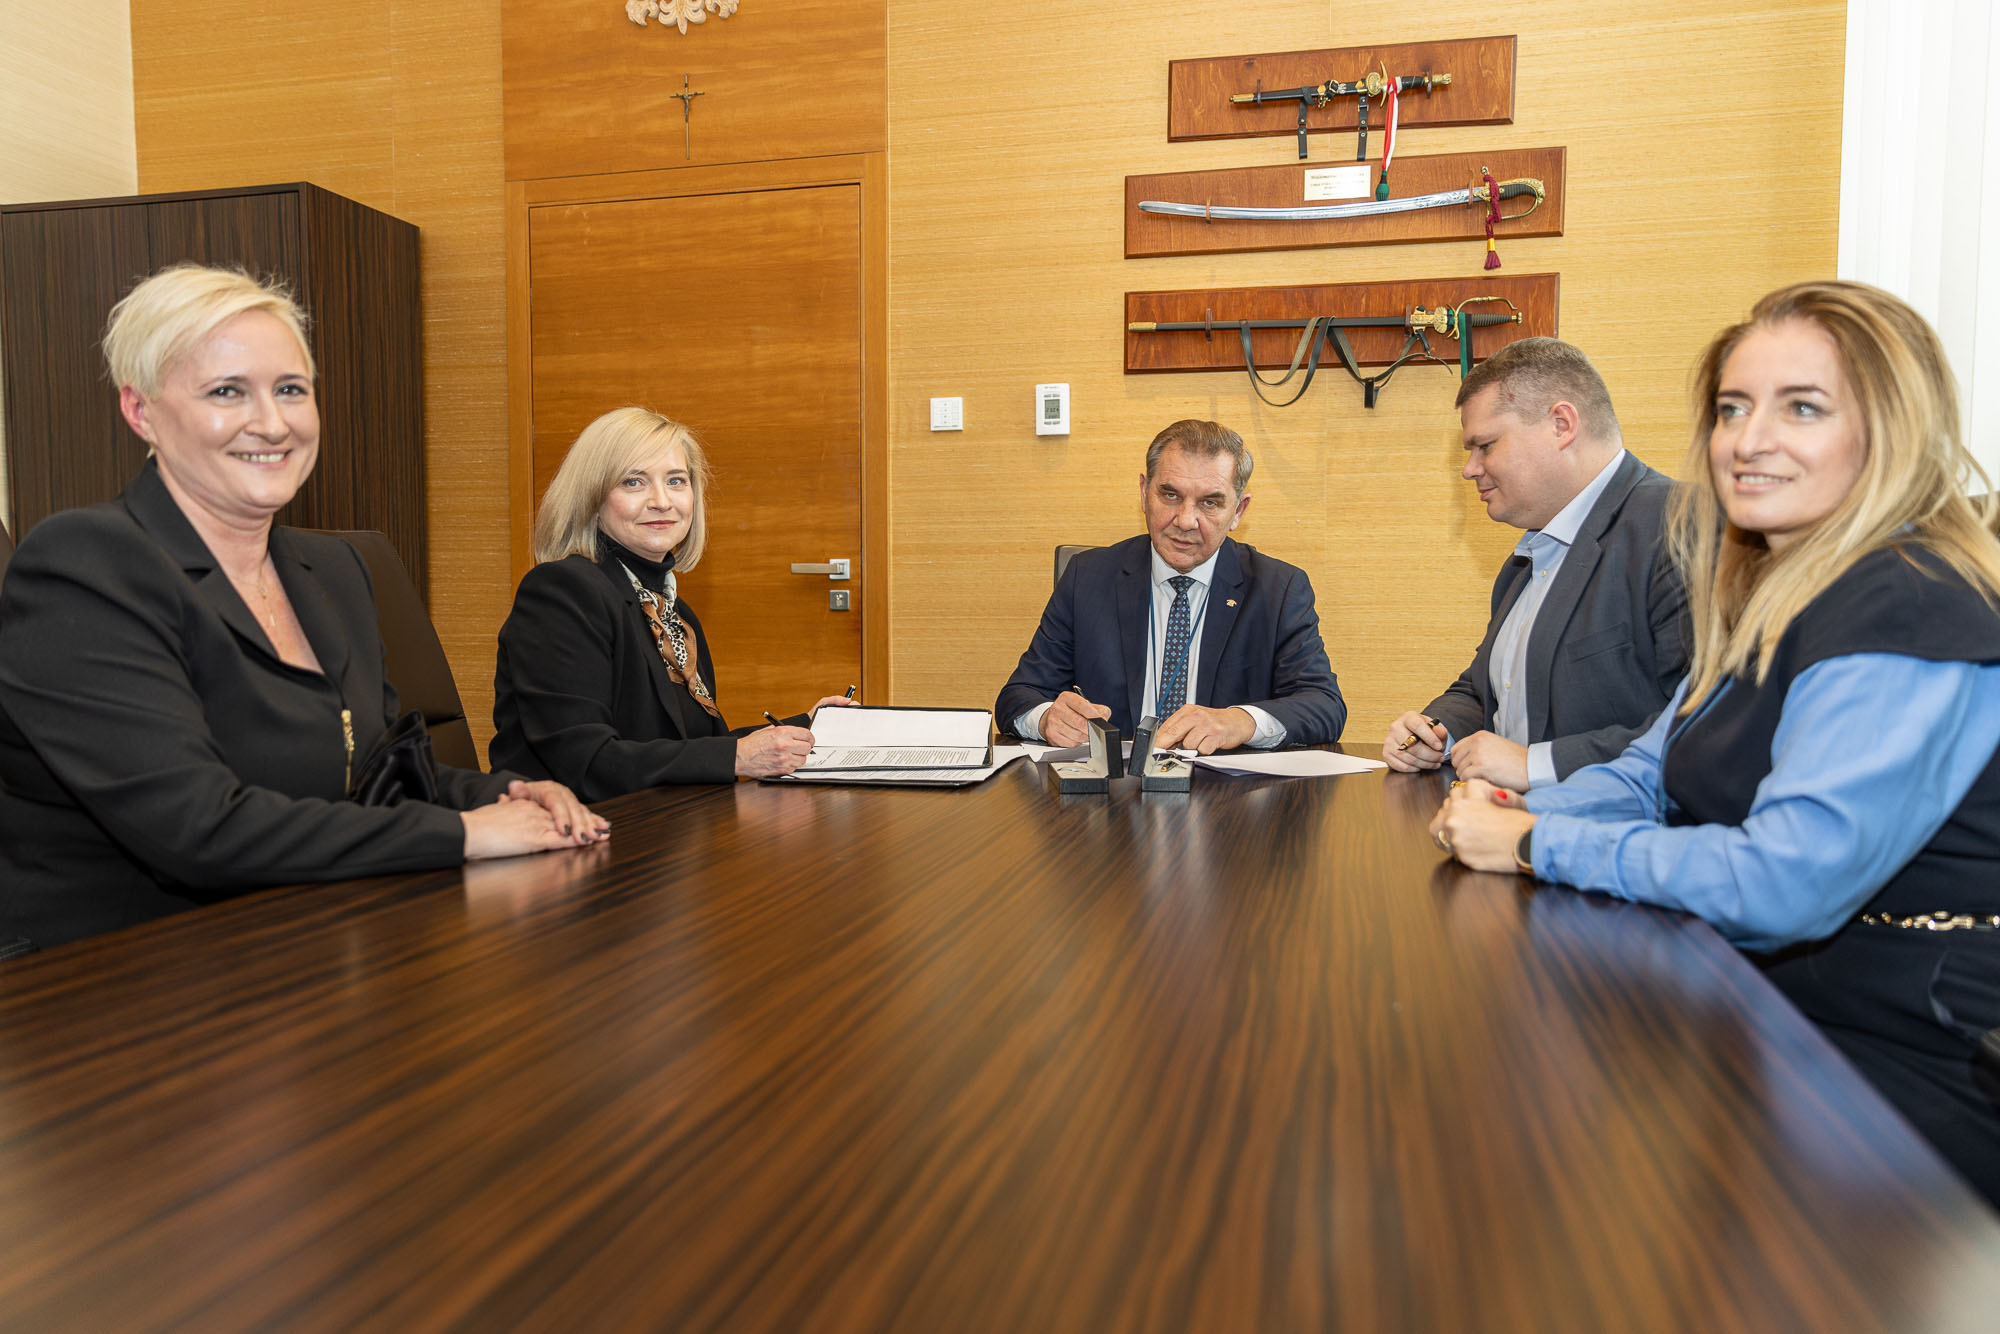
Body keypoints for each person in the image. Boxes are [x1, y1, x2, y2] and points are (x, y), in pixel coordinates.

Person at [1430, 281, 2000, 1205]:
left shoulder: (1908, 598)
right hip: (1783, 999)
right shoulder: (1772, 588)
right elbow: (1655, 771)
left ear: (1891, 430)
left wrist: (1537, 841)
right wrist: (1517, 805)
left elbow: (1785, 882)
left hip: (1910, 1052)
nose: (1747, 438)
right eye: (1733, 408)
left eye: (1802, 408)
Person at [0, 264, 605, 952]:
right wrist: (465, 834)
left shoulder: (337, 572)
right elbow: (200, 829)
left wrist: (508, 796)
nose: (272, 422)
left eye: (291, 390)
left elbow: (380, 775)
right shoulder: (85, 564)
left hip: (300, 946)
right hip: (106, 986)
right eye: (227, 391)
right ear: (141, 411)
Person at [490, 408, 852, 800]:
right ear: (592, 499)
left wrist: (804, 728)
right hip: (567, 837)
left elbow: (693, 745)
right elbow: (588, 762)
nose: (662, 501)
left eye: (676, 481)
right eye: (633, 482)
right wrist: (738, 757)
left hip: (657, 829)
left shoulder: (671, 610)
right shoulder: (562, 591)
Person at [1384, 338, 1687, 790]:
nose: (1469, 469)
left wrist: (1535, 765)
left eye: (1485, 445)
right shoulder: (1526, 559)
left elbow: (1709, 726)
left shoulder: (1680, 527)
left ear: (1561, 425)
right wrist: (1437, 731)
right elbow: (1487, 689)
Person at [995, 418, 1345, 753]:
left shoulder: (1277, 589)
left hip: (1227, 800)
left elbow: (1324, 706)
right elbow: (1018, 696)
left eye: (1210, 502)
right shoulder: (1087, 577)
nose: (1185, 521)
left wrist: (1240, 721)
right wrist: (1045, 720)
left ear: (1238, 511)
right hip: (1112, 798)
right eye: (1170, 495)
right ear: (1145, 492)